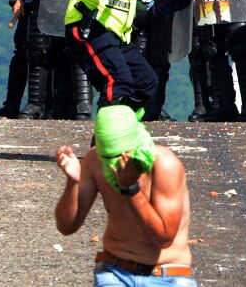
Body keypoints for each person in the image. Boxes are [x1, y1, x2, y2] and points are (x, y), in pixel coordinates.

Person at [55, 105, 195, 286]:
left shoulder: (165, 164)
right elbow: (67, 227)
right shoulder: (94, 160)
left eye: (121, 156)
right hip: (115, 269)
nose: (114, 165)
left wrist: (131, 189)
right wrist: (72, 182)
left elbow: (164, 238)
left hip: (167, 274)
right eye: (107, 157)